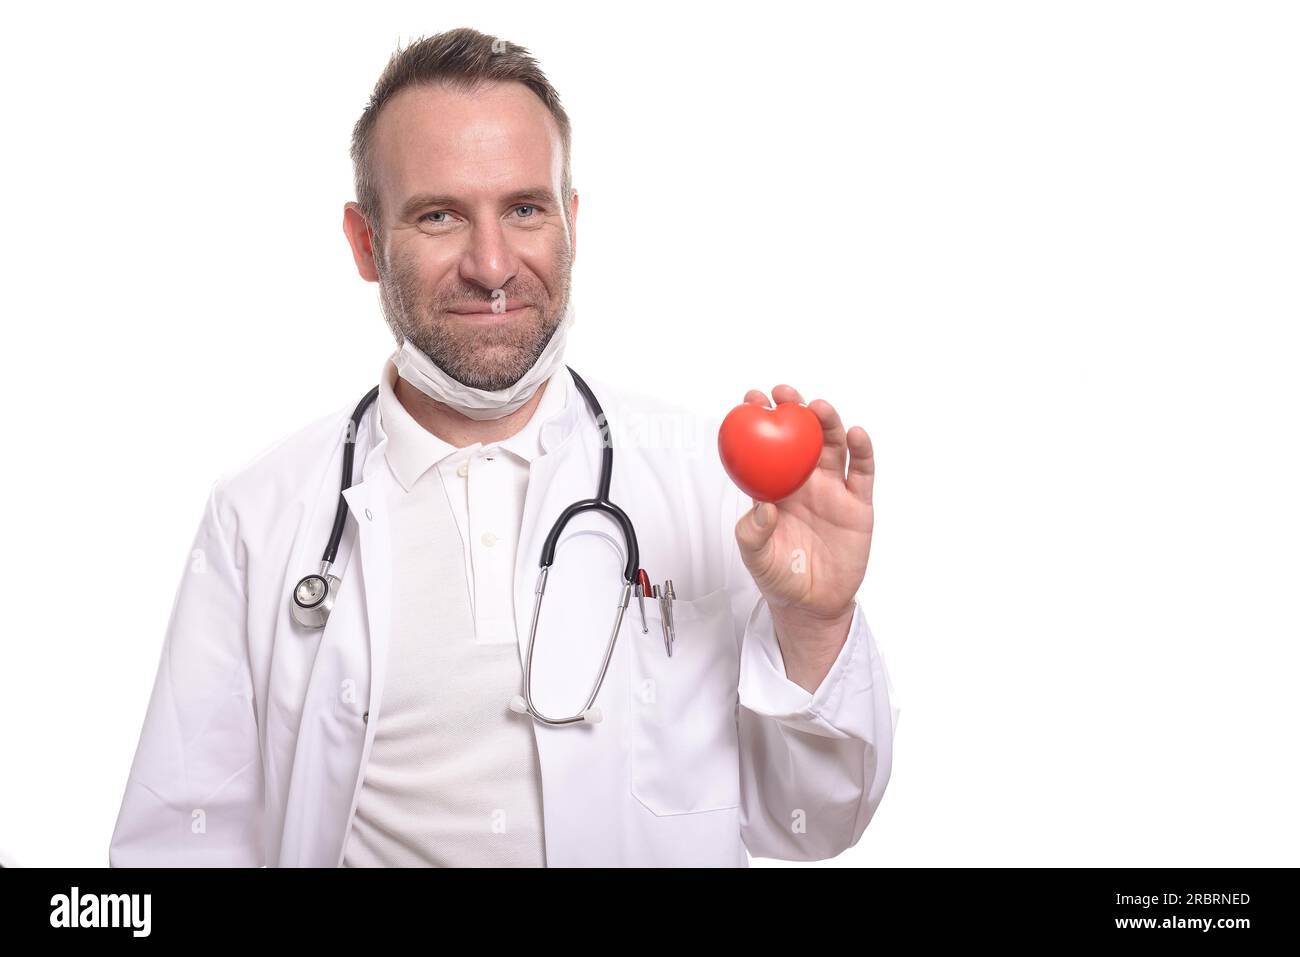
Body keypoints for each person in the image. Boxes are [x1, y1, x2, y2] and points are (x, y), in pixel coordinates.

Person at [109, 26, 898, 868]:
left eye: (525, 209)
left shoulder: (713, 485)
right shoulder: (258, 517)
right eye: (440, 215)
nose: (492, 265)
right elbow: (176, 849)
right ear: (365, 242)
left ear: (571, 221)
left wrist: (816, 624)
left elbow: (814, 818)